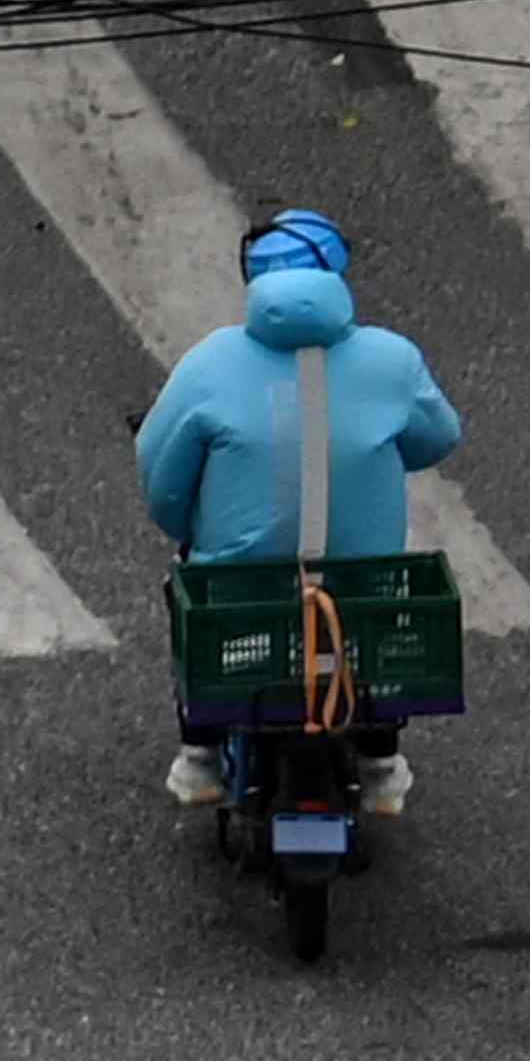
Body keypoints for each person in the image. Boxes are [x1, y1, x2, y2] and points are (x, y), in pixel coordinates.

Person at [135, 208, 464, 815]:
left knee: (191, 596)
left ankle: (199, 757)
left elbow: (162, 474)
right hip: (357, 586)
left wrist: (184, 531)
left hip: (242, 587)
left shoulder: (209, 363)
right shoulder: (392, 360)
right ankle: (382, 761)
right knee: (373, 629)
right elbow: (437, 438)